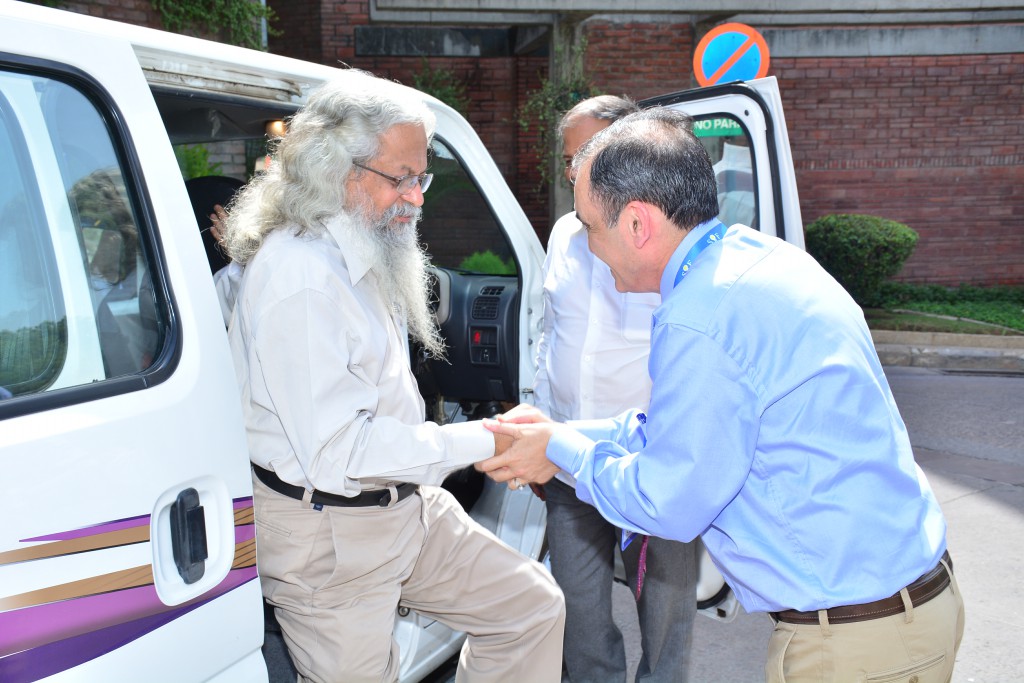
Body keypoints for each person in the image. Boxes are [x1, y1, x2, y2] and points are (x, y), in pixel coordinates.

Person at [479, 107, 965, 682]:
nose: (588, 245)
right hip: (909, 609)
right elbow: (679, 430)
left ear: (636, 223)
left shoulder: (699, 319)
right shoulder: (760, 260)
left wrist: (559, 451)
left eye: (590, 227)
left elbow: (665, 501)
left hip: (855, 644)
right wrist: (558, 433)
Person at [222, 69, 565, 683]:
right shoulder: (302, 278)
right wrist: (484, 440)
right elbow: (341, 455)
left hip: (402, 505)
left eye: (421, 177)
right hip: (331, 537)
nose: (417, 197)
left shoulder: (362, 244)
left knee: (531, 610)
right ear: (336, 170)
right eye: (400, 178)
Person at [534, 95, 698, 683]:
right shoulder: (563, 235)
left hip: (649, 463)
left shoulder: (662, 243)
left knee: (665, 619)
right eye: (568, 158)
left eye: (588, 153)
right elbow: (548, 334)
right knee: (576, 614)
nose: (575, 169)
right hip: (569, 463)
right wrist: (541, 424)